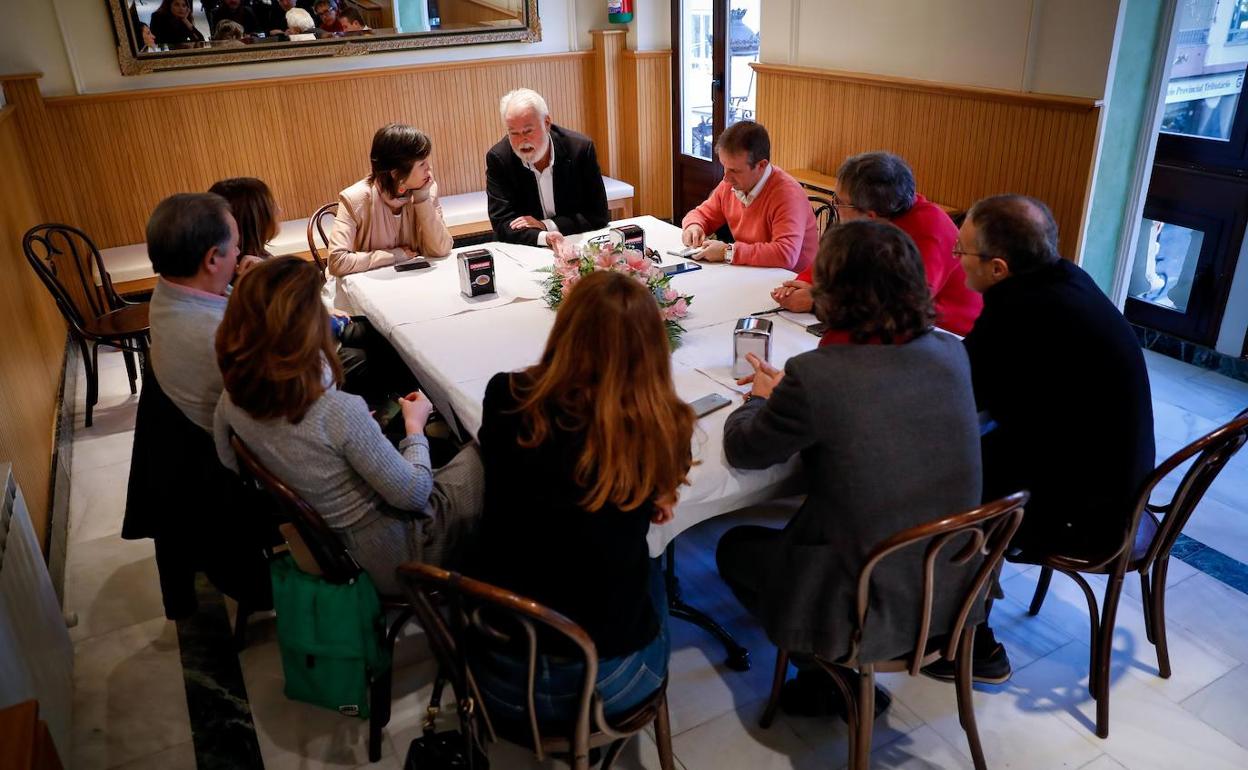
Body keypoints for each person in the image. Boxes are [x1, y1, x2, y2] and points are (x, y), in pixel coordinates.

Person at [716, 220, 983, 717]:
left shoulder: (819, 375)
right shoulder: (952, 352)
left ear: (832, 292)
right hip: (957, 579)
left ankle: (825, 669)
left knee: (733, 548)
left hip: (866, 597)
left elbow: (745, 451)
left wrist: (757, 399)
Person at [929, 195, 1155, 683]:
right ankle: (962, 606)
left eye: (960, 252)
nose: (954, 260)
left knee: (942, 483)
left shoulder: (1019, 312)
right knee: (973, 454)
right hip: (1119, 475)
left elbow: (954, 404)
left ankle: (969, 641)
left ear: (997, 267)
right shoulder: (1064, 278)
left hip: (1090, 511)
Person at [472, 269, 694, 723]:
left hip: (497, 665)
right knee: (651, 563)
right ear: (652, 349)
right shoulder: (658, 429)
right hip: (606, 685)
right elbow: (658, 508)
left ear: (565, 329)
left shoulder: (505, 395)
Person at [213, 257, 484, 595]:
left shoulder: (234, 397)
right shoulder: (335, 411)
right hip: (398, 552)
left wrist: (322, 464)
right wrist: (415, 428)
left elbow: (231, 461)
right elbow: (415, 495)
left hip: (333, 543)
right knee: (490, 445)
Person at [209, 176, 418, 407]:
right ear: (255, 219)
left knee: (384, 332)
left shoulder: (252, 260)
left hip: (313, 331)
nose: (279, 209)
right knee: (377, 352)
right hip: (305, 349)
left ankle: (406, 405)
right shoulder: (250, 273)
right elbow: (289, 326)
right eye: (271, 205)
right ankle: (399, 411)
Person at [772, 152, 982, 337]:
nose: (835, 206)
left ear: (869, 216)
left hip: (946, 334)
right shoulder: (879, 216)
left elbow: (903, 307)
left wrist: (819, 302)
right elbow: (823, 266)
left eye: (839, 201)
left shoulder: (930, 231)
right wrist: (797, 287)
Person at [146, 192, 241, 432]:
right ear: (211, 260)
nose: (239, 254)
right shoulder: (221, 337)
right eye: (235, 246)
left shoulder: (169, 289)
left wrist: (251, 288)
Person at [680, 120, 817, 272]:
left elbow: (786, 255)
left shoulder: (787, 195)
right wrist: (694, 226)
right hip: (752, 272)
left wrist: (728, 252)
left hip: (791, 282)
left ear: (761, 165)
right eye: (724, 166)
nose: (726, 178)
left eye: (735, 171)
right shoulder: (730, 184)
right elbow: (701, 214)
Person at [485, 88, 609, 248]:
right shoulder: (499, 159)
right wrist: (545, 237)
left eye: (528, 131)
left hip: (576, 241)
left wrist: (546, 225)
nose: (522, 140)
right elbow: (502, 224)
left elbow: (598, 214)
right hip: (526, 247)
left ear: (547, 123)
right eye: (513, 133)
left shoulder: (579, 149)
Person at [328, 123, 453, 276]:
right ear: (396, 173)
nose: (429, 168)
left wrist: (422, 200)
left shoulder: (426, 190)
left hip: (410, 282)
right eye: (422, 164)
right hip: (365, 286)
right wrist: (394, 255)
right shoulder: (355, 199)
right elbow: (338, 261)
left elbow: (441, 249)